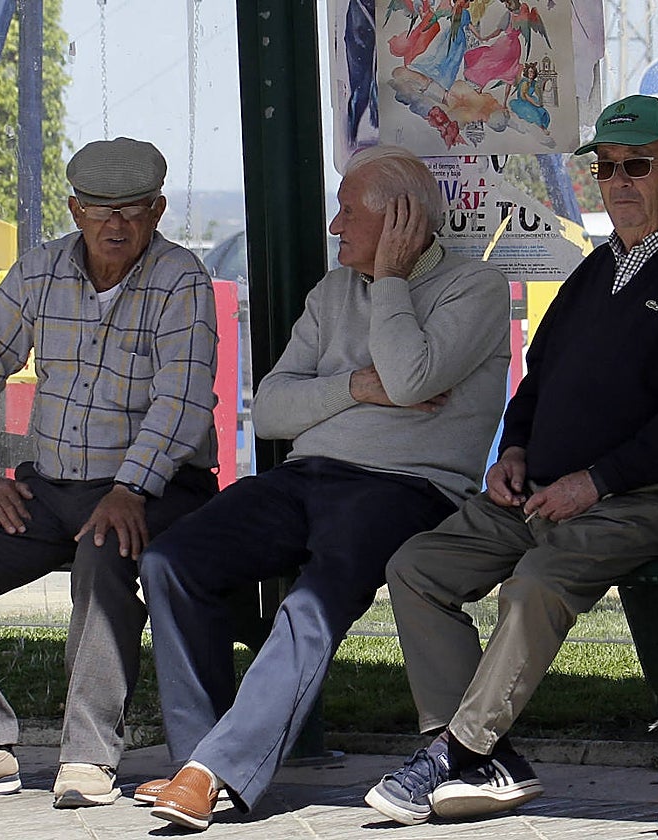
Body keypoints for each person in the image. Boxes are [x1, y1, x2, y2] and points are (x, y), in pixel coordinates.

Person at [365, 94, 658, 825]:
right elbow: (538, 377)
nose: (619, 181)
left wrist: (597, 481)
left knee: (534, 584)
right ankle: (482, 756)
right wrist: (513, 450)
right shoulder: (596, 270)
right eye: (607, 167)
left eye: (637, 165)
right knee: (417, 568)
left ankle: (455, 755)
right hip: (546, 493)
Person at [135, 144, 512, 831]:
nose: (334, 227)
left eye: (347, 211)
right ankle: (201, 760)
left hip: (406, 487)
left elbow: (408, 376)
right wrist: (355, 387)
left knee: (316, 599)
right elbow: (273, 407)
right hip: (305, 476)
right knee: (171, 559)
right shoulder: (333, 291)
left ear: (400, 221)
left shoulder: (474, 290)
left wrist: (393, 283)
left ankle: (212, 772)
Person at [0, 138, 221, 808]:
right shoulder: (37, 271)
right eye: (98, 209)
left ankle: (91, 756)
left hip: (156, 485)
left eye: (131, 209)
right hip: (51, 485)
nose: (114, 224)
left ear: (157, 211)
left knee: (106, 549)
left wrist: (130, 490)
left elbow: (181, 402)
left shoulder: (182, 278)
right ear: (74, 208)